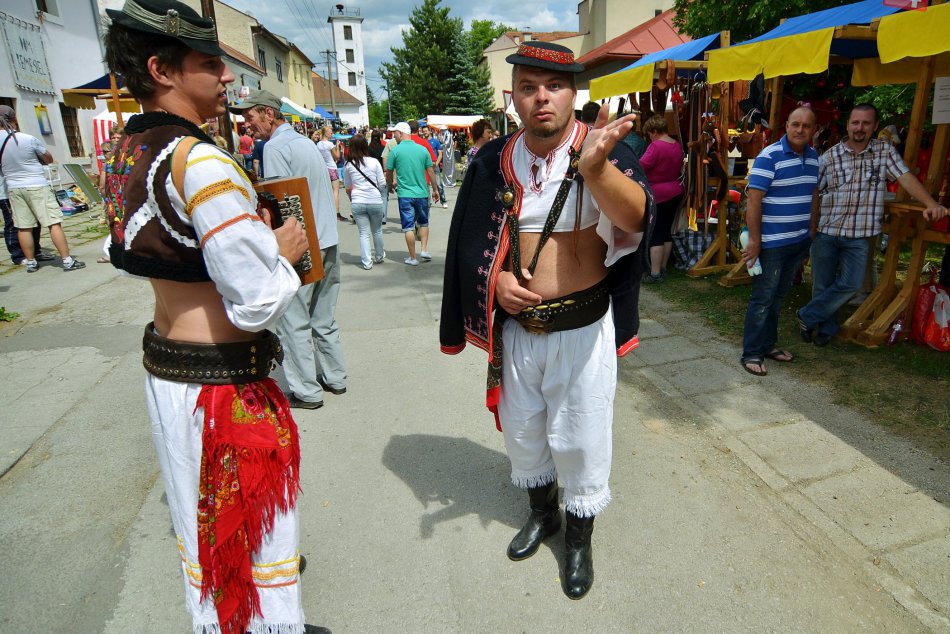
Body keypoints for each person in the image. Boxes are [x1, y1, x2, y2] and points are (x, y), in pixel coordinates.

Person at [102, 2, 315, 632]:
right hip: (221, 389)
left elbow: (158, 255)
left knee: (207, 532)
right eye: (208, 63)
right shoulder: (200, 161)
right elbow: (255, 301)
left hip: (171, 376)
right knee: (256, 537)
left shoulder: (124, 151)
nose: (226, 77)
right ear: (160, 70)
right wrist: (284, 253)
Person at [439, 41, 653, 600]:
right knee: (525, 431)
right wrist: (494, 282)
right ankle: (544, 514)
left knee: (582, 436)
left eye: (554, 86)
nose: (542, 98)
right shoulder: (490, 159)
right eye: (529, 87)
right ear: (512, 97)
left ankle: (579, 540)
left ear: (573, 93)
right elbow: (468, 243)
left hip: (582, 332)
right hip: (518, 332)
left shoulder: (602, 150)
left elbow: (636, 219)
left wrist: (595, 169)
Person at [796, 104, 947, 346]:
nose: (860, 128)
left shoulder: (884, 152)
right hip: (827, 231)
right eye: (855, 122)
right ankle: (826, 329)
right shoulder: (829, 157)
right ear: (848, 125)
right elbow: (812, 191)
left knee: (852, 284)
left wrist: (930, 202)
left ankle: (807, 316)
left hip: (860, 235)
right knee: (822, 284)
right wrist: (809, 226)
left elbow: (906, 177)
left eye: (866, 123)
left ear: (875, 126)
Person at [234, 90, 347, 410]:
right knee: (323, 316)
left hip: (304, 243)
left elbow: (280, 202)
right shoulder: (305, 143)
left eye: (250, 117)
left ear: (269, 114)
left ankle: (307, 391)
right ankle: (336, 376)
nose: (247, 125)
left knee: (293, 319)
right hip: (327, 238)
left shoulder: (275, 147)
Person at [740, 107, 819, 376]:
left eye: (806, 126)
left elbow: (813, 193)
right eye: (795, 124)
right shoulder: (769, 156)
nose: (800, 130)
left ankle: (768, 344)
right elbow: (754, 201)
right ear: (786, 126)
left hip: (798, 241)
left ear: (813, 130)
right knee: (763, 298)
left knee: (778, 297)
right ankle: (752, 352)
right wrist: (755, 241)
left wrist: (811, 228)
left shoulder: (814, 157)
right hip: (771, 243)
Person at [0, 105, 84, 273]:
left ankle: (30, 262)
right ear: (14, 118)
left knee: (24, 226)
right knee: (53, 223)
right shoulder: (27, 138)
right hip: (36, 184)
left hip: (14, 187)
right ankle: (67, 260)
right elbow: (48, 158)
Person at [385, 121, 440, 266]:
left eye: (395, 133)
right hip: (422, 193)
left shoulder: (395, 151)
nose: (394, 136)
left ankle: (413, 257)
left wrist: (389, 185)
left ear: (401, 133)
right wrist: (435, 189)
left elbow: (389, 171)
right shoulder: (422, 149)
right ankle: (424, 250)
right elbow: (431, 171)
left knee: (408, 226)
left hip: (405, 194)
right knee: (424, 222)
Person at [639, 114, 685, 282]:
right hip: (676, 190)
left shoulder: (656, 146)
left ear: (654, 131)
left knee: (656, 233)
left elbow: (641, 165)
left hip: (658, 194)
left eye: (649, 134)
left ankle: (655, 273)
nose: (649, 138)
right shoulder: (676, 144)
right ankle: (663, 267)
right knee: (666, 231)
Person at [343, 134, 386, 269]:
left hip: (358, 200)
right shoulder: (374, 162)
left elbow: (347, 187)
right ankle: (379, 256)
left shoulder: (348, 164)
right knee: (377, 230)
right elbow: (382, 183)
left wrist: (352, 197)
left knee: (363, 233)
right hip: (374, 200)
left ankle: (367, 262)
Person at [314, 126, 345, 222]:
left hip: (323, 168)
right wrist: (338, 147)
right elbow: (337, 157)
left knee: (326, 191)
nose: (332, 134)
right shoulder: (330, 144)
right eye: (331, 133)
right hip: (332, 167)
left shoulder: (318, 144)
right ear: (326, 133)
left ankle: (327, 212)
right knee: (336, 191)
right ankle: (337, 212)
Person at [424, 125, 448, 208]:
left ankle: (443, 201)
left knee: (439, 184)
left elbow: (440, 154)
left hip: (434, 165)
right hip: (425, 166)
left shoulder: (436, 141)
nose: (425, 132)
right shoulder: (422, 142)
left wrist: (436, 163)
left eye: (426, 131)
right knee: (426, 185)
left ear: (430, 131)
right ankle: (428, 202)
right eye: (423, 131)